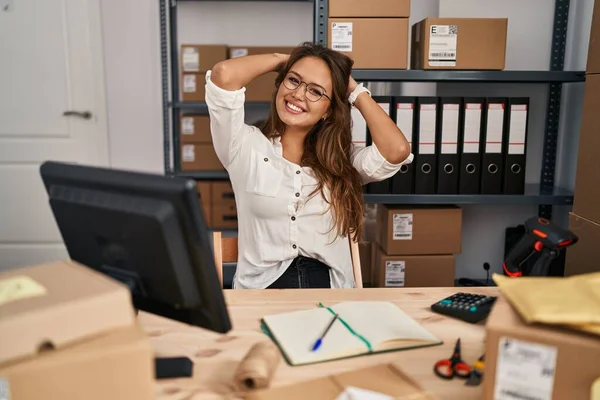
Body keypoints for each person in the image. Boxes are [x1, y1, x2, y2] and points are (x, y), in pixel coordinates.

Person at [205, 42, 412, 289]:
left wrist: (354, 90)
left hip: (331, 294)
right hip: (263, 293)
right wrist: (285, 61)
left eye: (316, 91)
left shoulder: (341, 161)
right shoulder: (244, 147)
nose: (299, 94)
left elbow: (396, 150)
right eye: (293, 80)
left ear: (328, 111)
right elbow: (223, 76)